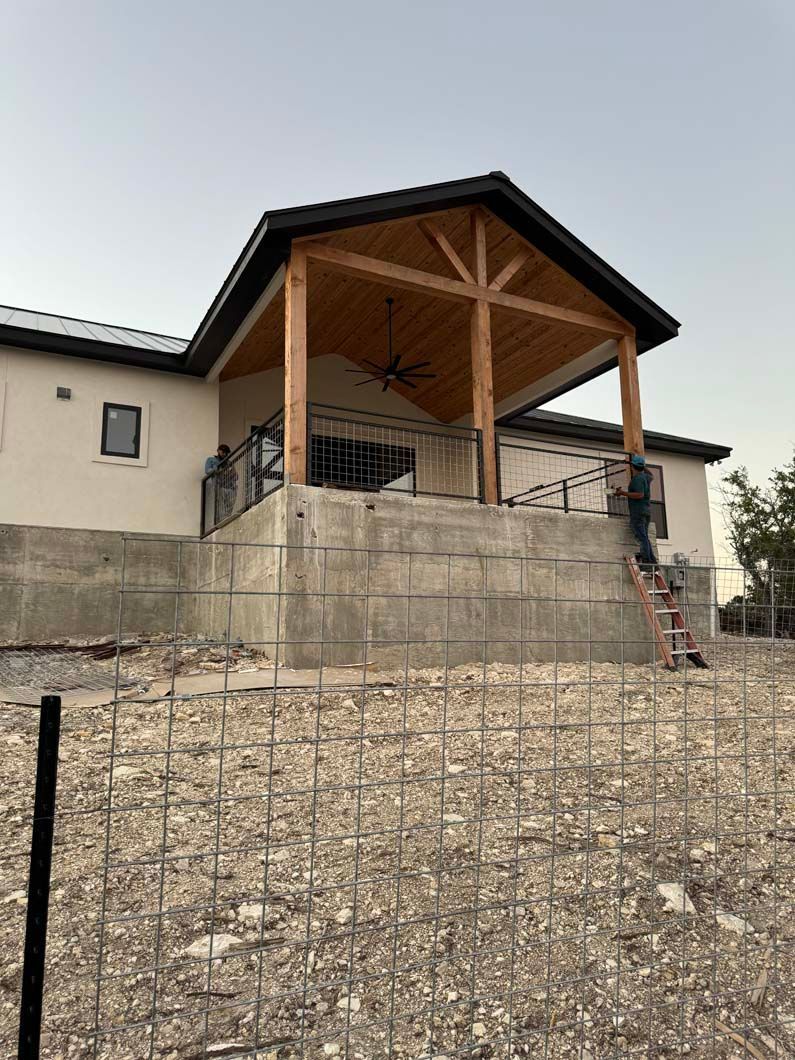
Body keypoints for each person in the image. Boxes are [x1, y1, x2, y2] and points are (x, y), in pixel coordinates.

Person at [615, 454, 658, 567]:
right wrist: (641, 465)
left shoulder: (637, 479)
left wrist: (622, 493)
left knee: (641, 536)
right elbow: (652, 475)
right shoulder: (646, 477)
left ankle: (646, 562)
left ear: (633, 466)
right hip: (646, 511)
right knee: (644, 536)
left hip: (638, 512)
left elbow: (639, 495)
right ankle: (652, 560)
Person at [204, 444, 237, 521]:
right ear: (218, 451)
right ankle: (222, 520)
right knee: (221, 505)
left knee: (230, 504)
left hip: (230, 486)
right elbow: (207, 471)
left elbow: (235, 475)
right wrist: (216, 470)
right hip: (219, 485)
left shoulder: (229, 462)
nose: (225, 454)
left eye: (226, 452)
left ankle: (227, 519)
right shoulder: (211, 460)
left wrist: (231, 473)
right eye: (223, 452)